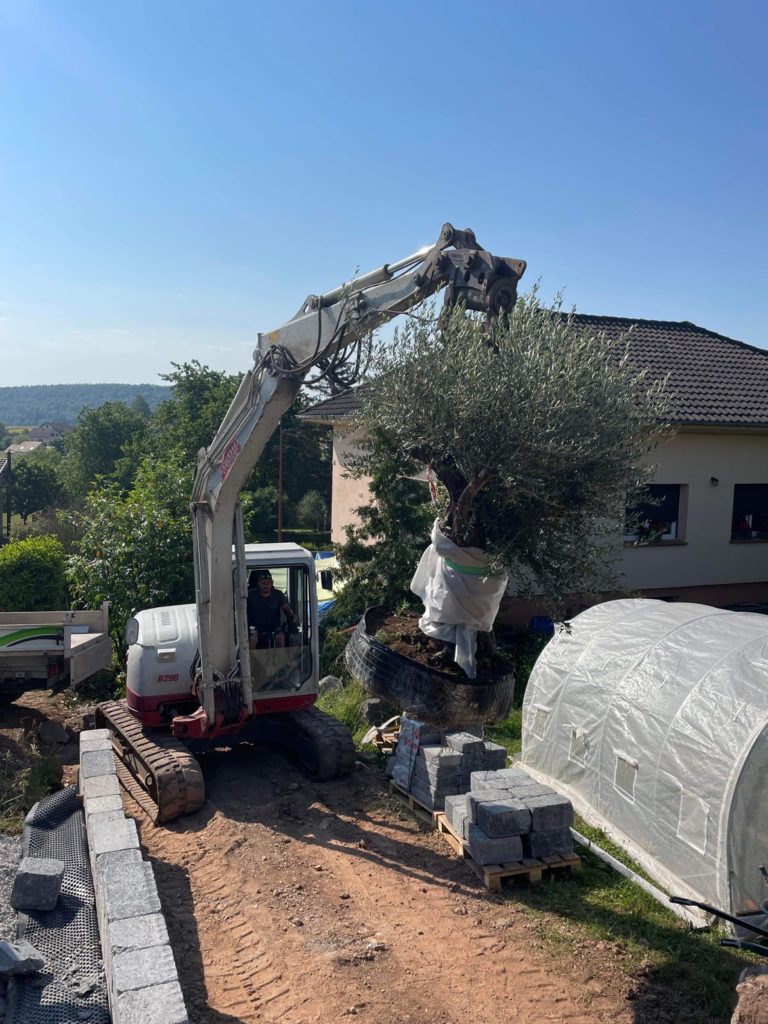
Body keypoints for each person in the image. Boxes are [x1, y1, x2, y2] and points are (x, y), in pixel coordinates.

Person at [246, 570, 298, 648]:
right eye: (263, 583)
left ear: (272, 583)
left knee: (280, 637)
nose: (266, 586)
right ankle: (250, 659)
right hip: (255, 626)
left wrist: (292, 616)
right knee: (252, 637)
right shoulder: (250, 595)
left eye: (268, 583)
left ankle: (281, 658)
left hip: (274, 626)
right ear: (258, 583)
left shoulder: (278, 594)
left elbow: (286, 609)